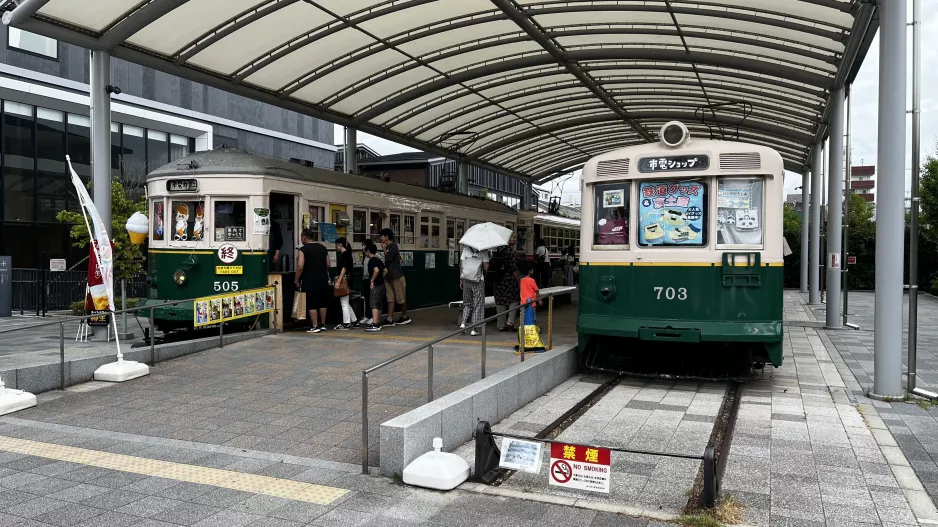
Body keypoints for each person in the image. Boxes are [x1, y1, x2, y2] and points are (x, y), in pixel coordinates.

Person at [295, 229, 329, 333]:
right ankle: (323, 324)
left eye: (301, 238)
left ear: (304, 237)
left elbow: (300, 266)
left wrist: (296, 280)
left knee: (312, 303)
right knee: (322, 302)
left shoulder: (303, 250)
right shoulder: (323, 248)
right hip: (323, 279)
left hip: (309, 280)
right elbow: (328, 265)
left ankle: (315, 325)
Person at [379, 228, 411, 326]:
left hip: (396, 276)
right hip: (388, 277)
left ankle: (405, 316)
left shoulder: (393, 245)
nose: (380, 238)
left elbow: (388, 258)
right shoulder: (389, 246)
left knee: (400, 297)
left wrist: (384, 250)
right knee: (390, 298)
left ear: (387, 236)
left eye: (382, 236)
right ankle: (389, 318)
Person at [492, 233, 520, 332]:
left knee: (500, 301)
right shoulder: (510, 252)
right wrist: (519, 281)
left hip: (497, 279)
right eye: (513, 237)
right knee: (514, 299)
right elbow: (514, 269)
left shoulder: (497, 250)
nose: (515, 239)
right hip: (509, 280)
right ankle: (510, 322)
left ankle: (501, 325)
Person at [459, 244, 489, 336]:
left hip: (466, 280)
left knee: (467, 302)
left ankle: (463, 323)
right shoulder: (484, 251)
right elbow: (486, 267)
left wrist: (461, 279)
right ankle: (474, 328)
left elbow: (462, 266)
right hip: (478, 280)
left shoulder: (466, 250)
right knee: (478, 304)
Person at [333, 237, 359, 330]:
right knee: (346, 302)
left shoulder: (344, 255)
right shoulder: (348, 254)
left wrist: (338, 282)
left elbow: (344, 269)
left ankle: (346, 323)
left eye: (336, 244)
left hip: (344, 281)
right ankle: (354, 321)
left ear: (340, 244)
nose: (336, 247)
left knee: (344, 302)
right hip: (349, 280)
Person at [363, 242, 385, 332]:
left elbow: (376, 271)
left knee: (374, 303)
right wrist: (380, 278)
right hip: (381, 284)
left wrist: (372, 280)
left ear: (368, 251)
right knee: (379, 304)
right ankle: (378, 322)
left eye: (365, 251)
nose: (365, 253)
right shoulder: (378, 259)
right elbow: (385, 270)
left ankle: (375, 324)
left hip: (375, 285)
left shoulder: (371, 260)